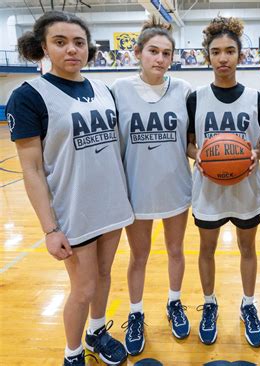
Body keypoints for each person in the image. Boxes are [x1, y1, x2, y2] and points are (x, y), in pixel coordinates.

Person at [5, 11, 134, 366]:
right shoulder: (29, 96)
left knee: (104, 276)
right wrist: (50, 228)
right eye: (60, 42)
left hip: (112, 205)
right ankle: (72, 352)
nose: (71, 50)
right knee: (83, 288)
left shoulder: (103, 89)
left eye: (78, 42)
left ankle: (96, 332)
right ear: (43, 47)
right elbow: (30, 169)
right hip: (72, 211)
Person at [111, 16, 192, 356]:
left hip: (176, 186)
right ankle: (136, 311)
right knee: (139, 256)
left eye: (167, 53)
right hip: (137, 190)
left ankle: (174, 302)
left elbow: (189, 141)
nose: (160, 58)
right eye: (153, 51)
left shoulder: (186, 90)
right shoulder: (118, 91)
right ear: (138, 54)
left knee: (176, 251)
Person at [186, 16, 260, 348]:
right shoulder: (194, 98)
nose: (223, 58)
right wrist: (200, 156)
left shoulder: (256, 98)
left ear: (240, 56)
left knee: (247, 248)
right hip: (208, 190)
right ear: (208, 56)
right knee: (207, 250)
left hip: (246, 189)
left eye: (230, 51)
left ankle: (249, 305)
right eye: (216, 51)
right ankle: (209, 304)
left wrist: (255, 155)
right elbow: (189, 143)